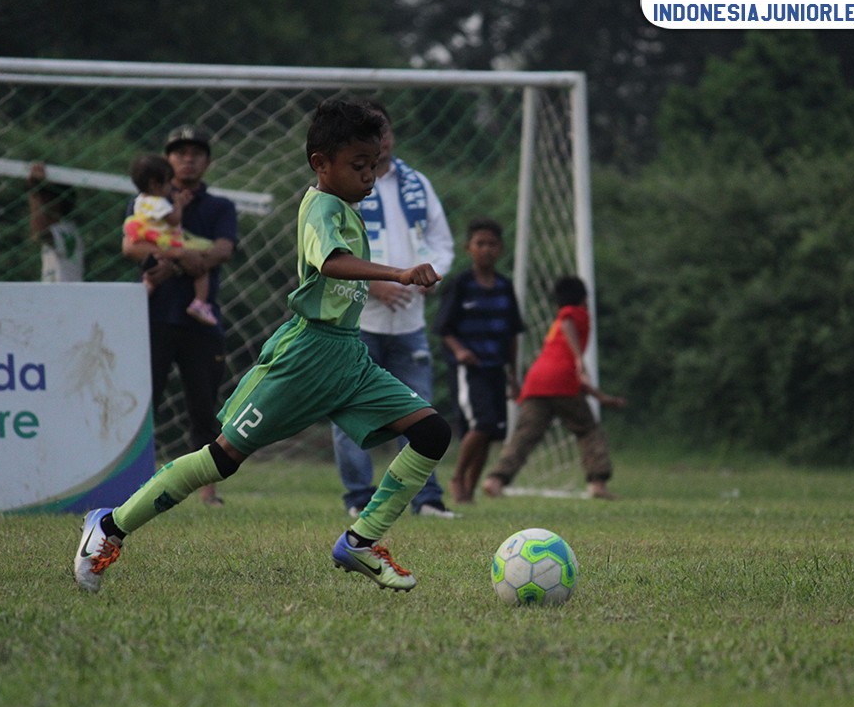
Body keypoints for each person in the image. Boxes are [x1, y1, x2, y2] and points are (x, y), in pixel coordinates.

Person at [75, 99, 451, 595]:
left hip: (348, 358)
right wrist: (399, 271)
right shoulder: (320, 206)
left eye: (375, 165)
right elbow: (331, 263)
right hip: (304, 358)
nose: (370, 176)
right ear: (321, 163)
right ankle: (109, 526)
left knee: (431, 433)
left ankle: (361, 541)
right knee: (223, 458)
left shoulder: (347, 205)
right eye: (359, 166)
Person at [331, 100, 457, 519]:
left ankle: (425, 499)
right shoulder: (340, 186)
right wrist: (374, 284)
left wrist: (430, 274)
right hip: (357, 322)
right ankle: (358, 498)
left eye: (384, 132)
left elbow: (441, 241)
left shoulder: (416, 183)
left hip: (409, 323)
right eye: (371, 134)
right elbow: (329, 252)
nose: (380, 142)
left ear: (392, 136)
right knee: (350, 409)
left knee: (419, 409)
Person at [121, 125, 237, 507]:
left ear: (207, 161)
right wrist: (178, 259)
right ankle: (136, 482)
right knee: (145, 402)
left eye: (196, 152)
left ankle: (208, 489)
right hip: (152, 317)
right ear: (166, 161)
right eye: (179, 152)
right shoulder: (144, 201)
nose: (188, 158)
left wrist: (179, 262)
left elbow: (223, 250)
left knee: (203, 406)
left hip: (201, 321)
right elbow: (132, 246)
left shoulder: (220, 207)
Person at [481, 276, 626, 500]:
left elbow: (575, 375)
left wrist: (601, 397)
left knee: (524, 436)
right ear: (585, 299)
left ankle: (495, 480)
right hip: (563, 382)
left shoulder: (557, 325)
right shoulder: (574, 314)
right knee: (588, 430)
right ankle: (598, 484)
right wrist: (579, 359)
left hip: (537, 381)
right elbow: (568, 323)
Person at [433, 217, 524, 504]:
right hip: (470, 369)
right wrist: (460, 351)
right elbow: (443, 328)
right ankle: (458, 477)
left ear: (501, 249)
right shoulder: (460, 284)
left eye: (492, 244)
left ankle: (469, 490)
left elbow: (512, 333)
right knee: (481, 424)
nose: (486, 249)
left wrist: (513, 374)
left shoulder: (505, 287)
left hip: (497, 367)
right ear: (468, 248)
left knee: (492, 432)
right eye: (480, 243)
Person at [123, 154, 217, 326]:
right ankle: (199, 303)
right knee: (202, 264)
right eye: (167, 182)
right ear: (155, 184)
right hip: (165, 240)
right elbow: (173, 220)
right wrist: (179, 205)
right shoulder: (159, 202)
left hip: (149, 241)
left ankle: (145, 292)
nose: (170, 187)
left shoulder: (140, 201)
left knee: (151, 272)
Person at [26, 162, 84, 283]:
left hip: (64, 296)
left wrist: (34, 191)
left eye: (44, 195)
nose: (41, 201)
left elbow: (40, 233)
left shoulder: (66, 231)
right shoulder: (64, 228)